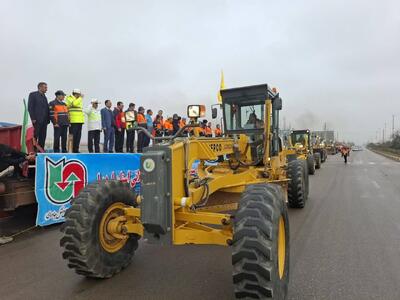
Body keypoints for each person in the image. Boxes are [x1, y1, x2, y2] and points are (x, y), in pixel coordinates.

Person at [28, 82, 50, 150]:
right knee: (35, 137)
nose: (46, 89)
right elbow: (30, 107)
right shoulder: (33, 95)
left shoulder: (44, 97)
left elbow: (46, 109)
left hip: (44, 121)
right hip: (36, 120)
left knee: (43, 137)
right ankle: (33, 151)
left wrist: (48, 120)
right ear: (40, 87)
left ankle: (41, 151)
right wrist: (33, 118)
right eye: (45, 87)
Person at [66, 89, 84, 153]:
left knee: (78, 136)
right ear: (76, 94)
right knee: (73, 136)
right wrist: (80, 98)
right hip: (73, 120)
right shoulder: (69, 98)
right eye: (79, 94)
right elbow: (74, 104)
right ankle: (71, 150)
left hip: (80, 120)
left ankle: (76, 149)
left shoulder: (78, 99)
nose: (80, 95)